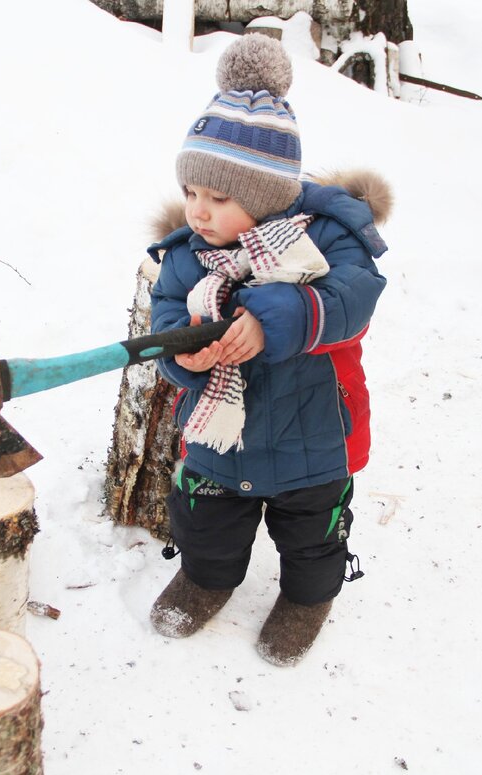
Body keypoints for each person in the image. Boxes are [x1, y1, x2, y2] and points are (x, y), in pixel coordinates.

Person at [147, 33, 392, 666]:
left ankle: (308, 599)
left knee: (312, 535)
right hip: (218, 436)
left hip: (312, 432)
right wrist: (184, 355)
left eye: (219, 198)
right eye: (193, 192)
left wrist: (274, 316)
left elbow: (353, 298)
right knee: (206, 521)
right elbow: (168, 313)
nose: (198, 211)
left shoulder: (330, 241)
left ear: (264, 196)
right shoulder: (187, 255)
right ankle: (206, 579)